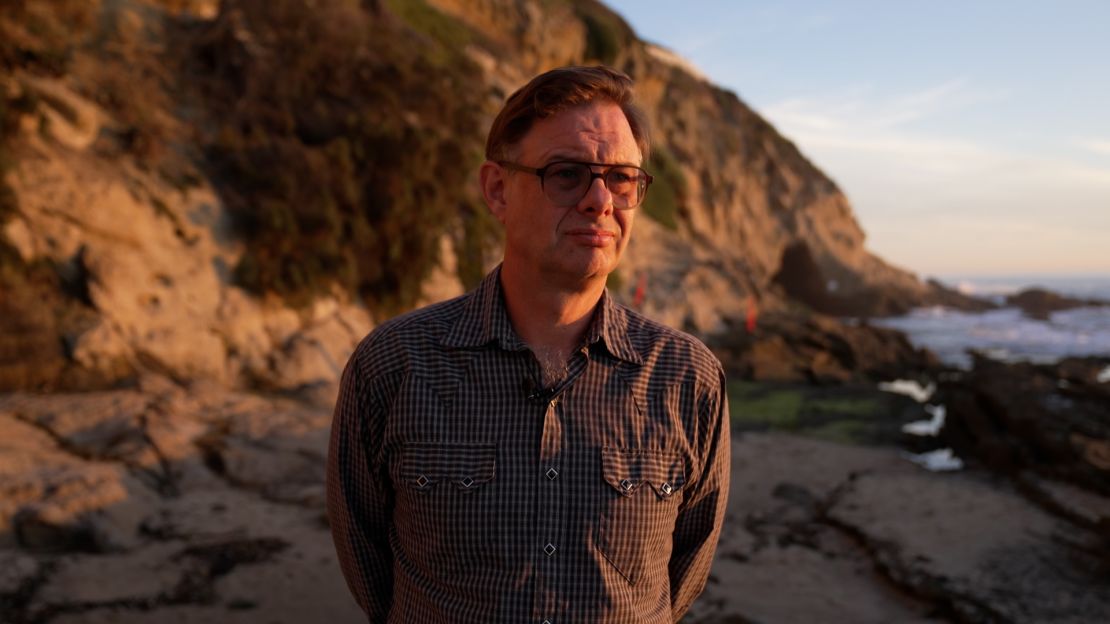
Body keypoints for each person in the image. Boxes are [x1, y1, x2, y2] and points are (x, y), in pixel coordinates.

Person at [327, 65, 730, 623]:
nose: (599, 200)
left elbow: (685, 571)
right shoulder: (396, 364)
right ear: (497, 189)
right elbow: (367, 561)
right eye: (566, 174)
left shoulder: (688, 377)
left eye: (622, 178)